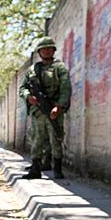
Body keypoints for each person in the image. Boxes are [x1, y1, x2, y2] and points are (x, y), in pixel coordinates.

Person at [19, 37, 71, 179]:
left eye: (49, 48)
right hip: (38, 111)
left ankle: (57, 169)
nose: (46, 51)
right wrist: (29, 96)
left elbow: (66, 88)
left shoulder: (60, 67)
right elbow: (22, 88)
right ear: (39, 51)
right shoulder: (33, 69)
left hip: (54, 109)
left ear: (53, 50)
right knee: (37, 139)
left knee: (56, 138)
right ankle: (35, 168)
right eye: (43, 49)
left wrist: (59, 106)